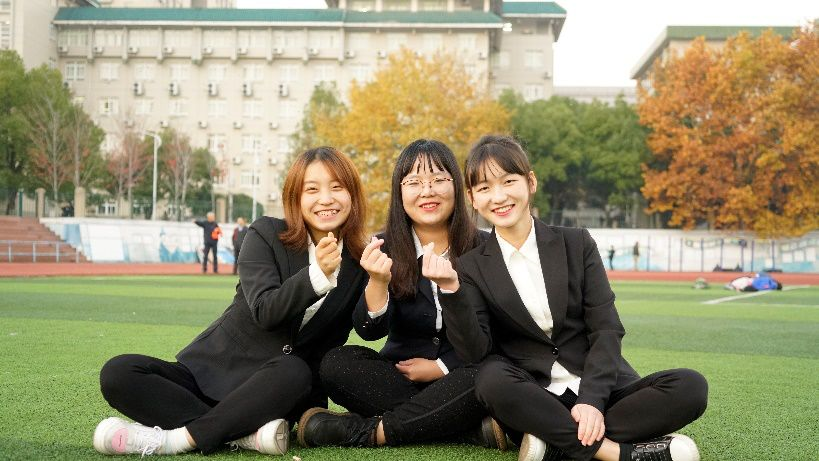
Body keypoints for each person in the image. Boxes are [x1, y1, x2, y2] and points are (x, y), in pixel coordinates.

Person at [426, 135, 708, 461]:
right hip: (536, 397)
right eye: (485, 188)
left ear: (531, 182)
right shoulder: (470, 266)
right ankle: (617, 453)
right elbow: (475, 351)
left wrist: (591, 401)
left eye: (508, 181)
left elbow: (605, 328)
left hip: (603, 391)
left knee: (690, 386)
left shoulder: (577, 243)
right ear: (472, 198)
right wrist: (451, 289)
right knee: (490, 379)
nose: (499, 197)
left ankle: (553, 445)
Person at [92, 147, 369, 456]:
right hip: (212, 374)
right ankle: (239, 435)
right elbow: (265, 311)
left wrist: (380, 282)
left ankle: (177, 441)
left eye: (337, 187)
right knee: (119, 372)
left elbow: (367, 328)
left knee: (295, 369)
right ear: (296, 198)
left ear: (352, 194)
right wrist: (316, 274)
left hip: (275, 392)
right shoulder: (266, 234)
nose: (326, 199)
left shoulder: (360, 262)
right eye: (312, 189)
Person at [298, 140, 505, 450]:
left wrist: (441, 367)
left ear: (457, 188)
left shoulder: (487, 248)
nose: (427, 192)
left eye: (438, 180)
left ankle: (368, 432)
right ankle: (464, 428)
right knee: (336, 364)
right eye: (414, 183)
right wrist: (378, 281)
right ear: (399, 192)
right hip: (399, 378)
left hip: (464, 374)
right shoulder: (382, 247)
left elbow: (493, 333)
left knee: (490, 373)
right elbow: (370, 332)